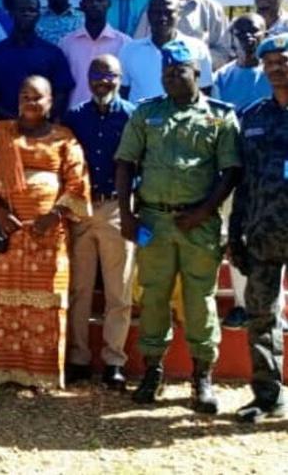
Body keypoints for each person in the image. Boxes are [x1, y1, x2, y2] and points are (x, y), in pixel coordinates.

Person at [116, 40, 241, 414]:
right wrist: (126, 214)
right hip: (154, 220)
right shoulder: (147, 113)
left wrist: (203, 212)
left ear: (196, 73)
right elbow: (125, 163)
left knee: (199, 300)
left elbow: (230, 171)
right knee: (153, 296)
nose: (171, 77)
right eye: (166, 72)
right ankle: (152, 371)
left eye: (179, 71)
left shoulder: (220, 116)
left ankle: (202, 377)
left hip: (198, 224)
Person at [0, 75, 91, 388]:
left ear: (50, 102)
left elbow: (78, 182)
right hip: (5, 234)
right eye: (25, 96)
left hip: (48, 237)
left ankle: (41, 375)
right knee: (1, 305)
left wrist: (53, 216)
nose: (30, 102)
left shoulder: (64, 138)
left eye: (37, 97)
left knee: (46, 307)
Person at [62, 55, 135, 389]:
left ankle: (114, 361)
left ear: (120, 79)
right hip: (83, 208)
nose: (103, 81)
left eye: (110, 75)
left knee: (119, 290)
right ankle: (78, 358)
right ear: (88, 78)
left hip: (118, 207)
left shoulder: (132, 116)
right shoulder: (75, 116)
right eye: (97, 74)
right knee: (79, 288)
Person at [228, 34, 288, 422]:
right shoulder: (252, 116)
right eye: (269, 64)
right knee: (261, 315)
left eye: (282, 61)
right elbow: (243, 181)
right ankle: (268, 397)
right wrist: (235, 234)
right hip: (264, 232)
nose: (275, 68)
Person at [211, 13, 272, 329]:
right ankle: (240, 304)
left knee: (271, 236)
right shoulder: (222, 77)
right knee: (234, 234)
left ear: (265, 35)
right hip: (234, 169)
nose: (248, 36)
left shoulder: (275, 72)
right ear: (233, 38)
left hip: (269, 172)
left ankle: (274, 307)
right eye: (242, 31)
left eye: (255, 31)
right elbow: (219, 123)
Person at [0, 0, 74, 120]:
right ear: (11, 13)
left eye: (31, 10)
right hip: (3, 125)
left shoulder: (53, 53)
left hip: (42, 126)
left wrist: (39, 119)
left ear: (38, 15)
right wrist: (14, 120)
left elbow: (61, 93)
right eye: (22, 10)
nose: (26, 14)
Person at [118, 0, 213, 103]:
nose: (162, 18)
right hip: (139, 114)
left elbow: (205, 91)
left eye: (168, 12)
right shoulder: (129, 50)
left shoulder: (197, 48)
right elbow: (122, 93)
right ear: (148, 15)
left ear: (179, 14)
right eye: (156, 13)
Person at [59, 0, 131, 107]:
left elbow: (127, 86)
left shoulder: (125, 44)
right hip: (75, 115)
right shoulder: (67, 44)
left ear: (109, 3)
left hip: (112, 115)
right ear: (81, 5)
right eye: (89, 0)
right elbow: (62, 88)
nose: (95, 4)